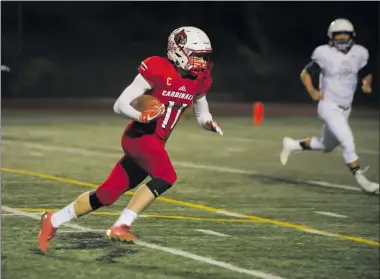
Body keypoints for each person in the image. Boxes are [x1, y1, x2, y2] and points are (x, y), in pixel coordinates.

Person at [38, 26, 223, 253]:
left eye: (204, 57)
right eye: (197, 57)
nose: (202, 63)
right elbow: (120, 105)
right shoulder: (156, 68)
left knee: (106, 195)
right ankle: (121, 225)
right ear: (178, 51)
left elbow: (202, 112)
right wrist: (140, 115)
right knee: (166, 176)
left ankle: (53, 220)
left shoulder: (199, 80)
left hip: (155, 142)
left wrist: (208, 123)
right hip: (139, 137)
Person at [280, 18, 378, 194]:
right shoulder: (324, 53)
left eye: (344, 35)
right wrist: (312, 91)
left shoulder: (360, 53)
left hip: (346, 108)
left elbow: (367, 71)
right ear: (331, 37)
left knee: (327, 145)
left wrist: (366, 83)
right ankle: (362, 181)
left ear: (352, 36)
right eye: (337, 35)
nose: (341, 38)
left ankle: (293, 144)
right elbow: (305, 73)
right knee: (347, 141)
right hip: (328, 105)